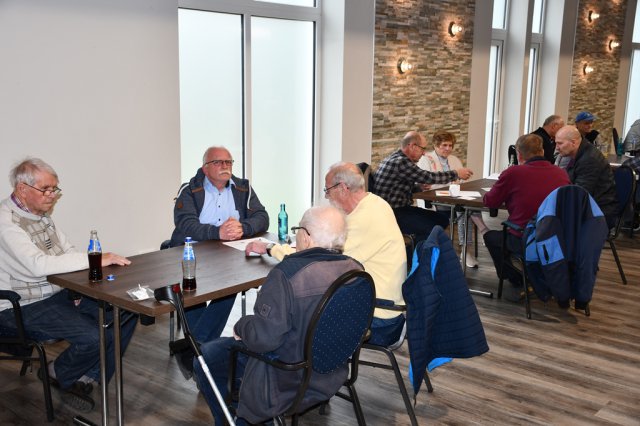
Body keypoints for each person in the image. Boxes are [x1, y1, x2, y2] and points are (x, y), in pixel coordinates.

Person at [193, 205, 363, 425]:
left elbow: (264, 339)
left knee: (206, 356)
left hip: (285, 375)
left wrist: (241, 326)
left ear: (306, 237)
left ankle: (240, 419)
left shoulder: (287, 274)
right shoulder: (355, 270)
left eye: (298, 229)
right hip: (330, 371)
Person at [0, 157, 137, 412]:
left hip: (55, 295)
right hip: (20, 305)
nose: (52, 195)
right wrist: (95, 259)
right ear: (22, 189)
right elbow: (37, 266)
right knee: (95, 336)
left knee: (127, 309)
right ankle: (57, 372)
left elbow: (67, 252)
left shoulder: (41, 216)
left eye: (55, 189)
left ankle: (84, 376)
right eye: (46, 189)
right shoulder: (5, 221)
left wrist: (77, 287)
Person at [246, 162, 406, 347]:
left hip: (379, 319)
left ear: (343, 188)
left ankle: (269, 350)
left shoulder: (365, 219)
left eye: (327, 190)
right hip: (376, 308)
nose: (326, 196)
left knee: (296, 319)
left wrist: (271, 248)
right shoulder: (374, 204)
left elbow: (316, 263)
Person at [167, 146, 269, 376]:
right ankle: (200, 350)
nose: (225, 166)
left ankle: (194, 348)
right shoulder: (190, 189)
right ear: (205, 168)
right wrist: (217, 232)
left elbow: (263, 217)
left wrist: (244, 227)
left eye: (228, 162)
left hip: (228, 255)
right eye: (218, 162)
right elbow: (185, 223)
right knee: (191, 292)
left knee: (232, 285)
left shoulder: (243, 187)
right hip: (192, 253)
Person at [483, 135, 571, 302]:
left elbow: (491, 201)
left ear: (519, 154)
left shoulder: (513, 173)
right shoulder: (561, 173)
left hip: (525, 238)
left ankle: (519, 278)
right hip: (556, 238)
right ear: (542, 151)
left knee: (491, 237)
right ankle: (533, 276)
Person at [372, 130, 473, 244]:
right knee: (432, 227)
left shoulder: (395, 157)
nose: (424, 153)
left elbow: (398, 188)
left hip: (395, 209)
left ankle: (418, 249)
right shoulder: (400, 162)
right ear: (412, 146)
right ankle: (417, 252)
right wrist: (456, 173)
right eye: (422, 149)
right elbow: (428, 177)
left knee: (442, 219)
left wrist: (418, 188)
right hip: (392, 213)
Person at [417, 130, 488, 268]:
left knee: (466, 207)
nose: (448, 148)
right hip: (435, 200)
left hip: (453, 198)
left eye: (450, 145)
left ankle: (466, 251)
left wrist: (460, 179)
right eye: (444, 145)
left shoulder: (454, 159)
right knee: (463, 209)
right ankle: (483, 231)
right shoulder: (425, 159)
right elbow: (427, 183)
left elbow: (459, 180)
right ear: (436, 145)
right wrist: (451, 181)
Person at [555, 125, 618, 229]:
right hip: (591, 206)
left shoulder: (589, 159)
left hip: (599, 211)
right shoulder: (580, 154)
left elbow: (579, 194)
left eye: (560, 143)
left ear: (573, 143)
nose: (557, 147)